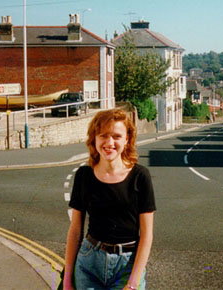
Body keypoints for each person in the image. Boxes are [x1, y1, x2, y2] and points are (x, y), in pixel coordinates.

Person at [64, 109, 156, 289]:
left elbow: (147, 235)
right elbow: (75, 230)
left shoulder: (140, 176)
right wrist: (68, 278)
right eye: (103, 135)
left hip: (127, 265)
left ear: (127, 139)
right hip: (89, 263)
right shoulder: (84, 175)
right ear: (94, 138)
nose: (109, 142)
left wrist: (133, 282)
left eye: (116, 136)